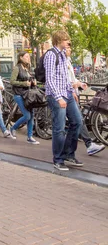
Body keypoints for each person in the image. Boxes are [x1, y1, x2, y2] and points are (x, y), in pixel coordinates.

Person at [45, 31, 83, 171]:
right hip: (57, 96)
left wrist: (72, 90)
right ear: (58, 40)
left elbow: (65, 78)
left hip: (67, 93)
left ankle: (68, 154)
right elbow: (50, 79)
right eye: (66, 40)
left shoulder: (63, 56)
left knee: (77, 122)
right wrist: (58, 97)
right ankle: (58, 159)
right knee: (59, 129)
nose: (68, 42)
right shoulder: (51, 55)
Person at [65, 45, 105, 156]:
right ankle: (85, 146)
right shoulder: (63, 62)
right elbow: (66, 80)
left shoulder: (68, 61)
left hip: (72, 93)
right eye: (68, 48)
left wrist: (80, 83)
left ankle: (72, 149)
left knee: (77, 121)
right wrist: (73, 89)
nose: (70, 49)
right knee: (77, 121)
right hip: (69, 94)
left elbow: (72, 79)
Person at [9, 51, 39, 144]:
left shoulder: (27, 68)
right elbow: (12, 81)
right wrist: (24, 83)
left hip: (28, 95)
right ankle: (12, 128)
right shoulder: (17, 68)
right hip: (19, 95)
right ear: (21, 58)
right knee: (27, 115)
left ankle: (29, 137)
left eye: (28, 56)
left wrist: (33, 82)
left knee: (31, 115)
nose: (28, 58)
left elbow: (29, 80)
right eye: (26, 56)